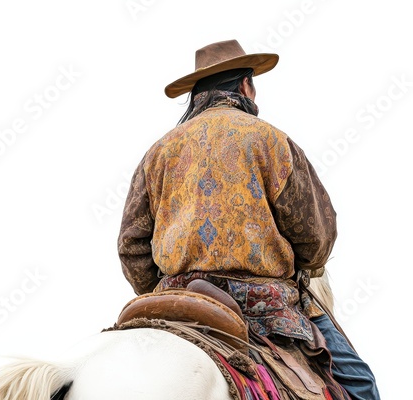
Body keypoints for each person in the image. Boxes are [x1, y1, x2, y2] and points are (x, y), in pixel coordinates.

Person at [117, 39, 380, 400]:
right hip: (266, 306)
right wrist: (297, 264)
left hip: (178, 298)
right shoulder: (271, 141)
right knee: (360, 384)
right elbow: (316, 237)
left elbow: (131, 246)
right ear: (245, 86)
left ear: (196, 97)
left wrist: (163, 287)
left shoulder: (157, 152)